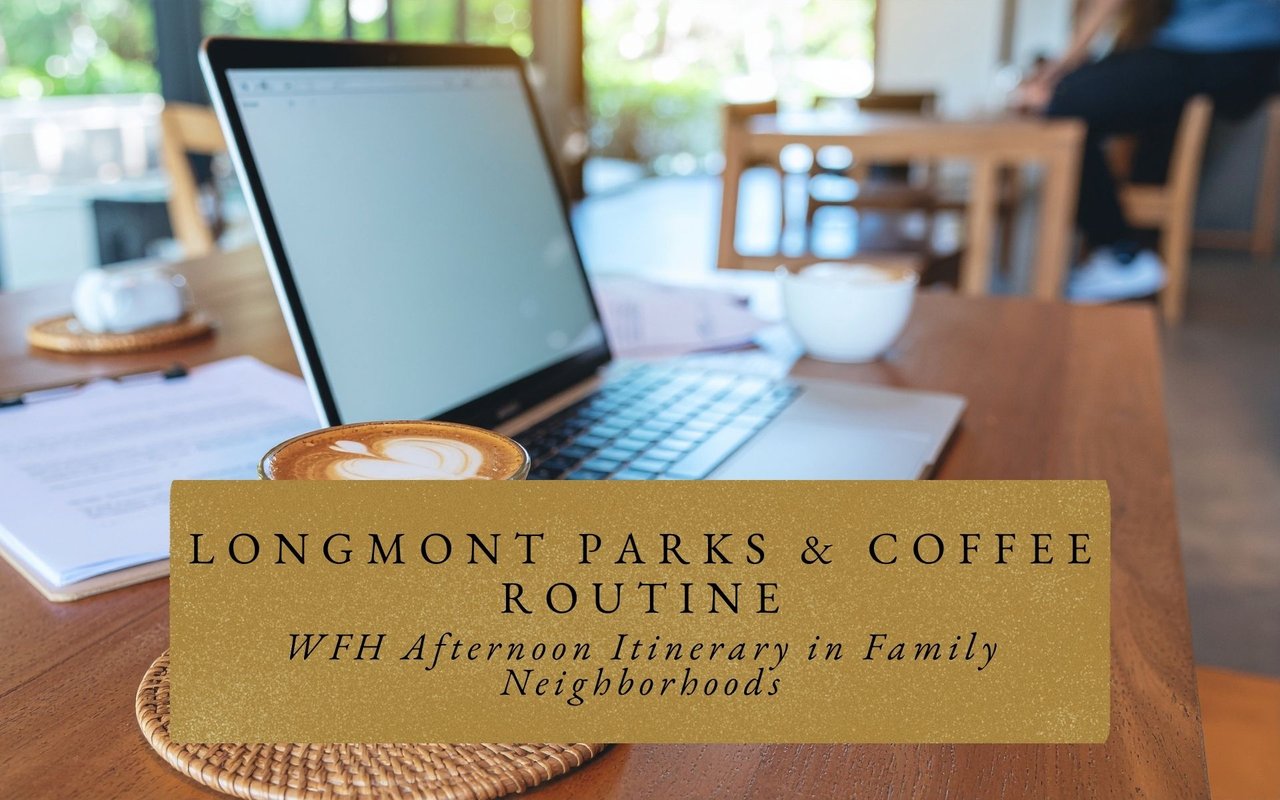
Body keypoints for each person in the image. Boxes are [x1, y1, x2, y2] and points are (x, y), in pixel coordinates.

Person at [1017, 0, 1280, 303]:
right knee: (1152, 114)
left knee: (1067, 102)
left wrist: (1059, 69)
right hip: (1250, 57)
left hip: (1211, 51)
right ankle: (1140, 248)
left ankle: (1120, 254)